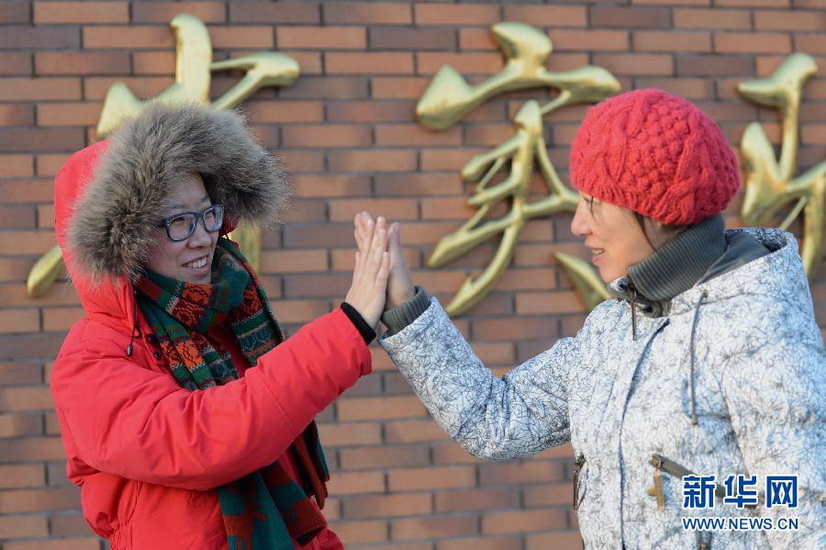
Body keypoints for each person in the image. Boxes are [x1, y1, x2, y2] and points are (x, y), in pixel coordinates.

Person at [363, 89, 826, 548]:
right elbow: (496, 420)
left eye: (593, 202)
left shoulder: (760, 333)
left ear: (658, 211)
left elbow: (806, 522)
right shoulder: (611, 328)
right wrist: (405, 308)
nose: (577, 225)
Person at [50, 103, 391, 549]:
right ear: (124, 240)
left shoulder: (233, 320)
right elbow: (206, 440)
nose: (202, 236)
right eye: (177, 221)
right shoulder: (92, 358)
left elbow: (286, 490)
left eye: (208, 213)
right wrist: (348, 328)